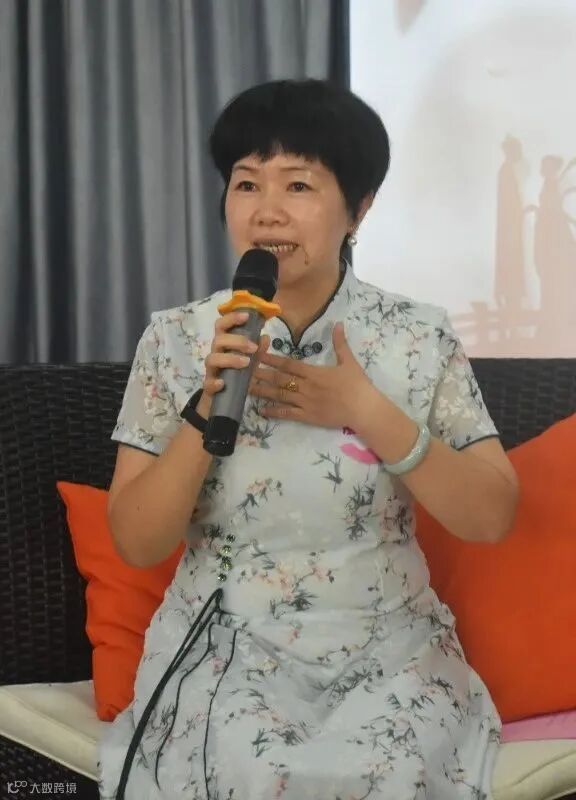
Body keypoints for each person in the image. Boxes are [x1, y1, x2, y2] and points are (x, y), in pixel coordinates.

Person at [97, 79, 519, 800]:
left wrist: (367, 410)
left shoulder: (417, 336)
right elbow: (137, 543)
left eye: (298, 185)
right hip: (226, 644)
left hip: (390, 643)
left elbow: (492, 516)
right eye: (246, 183)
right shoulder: (176, 339)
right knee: (260, 773)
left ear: (360, 208)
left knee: (391, 774)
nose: (266, 211)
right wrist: (205, 407)